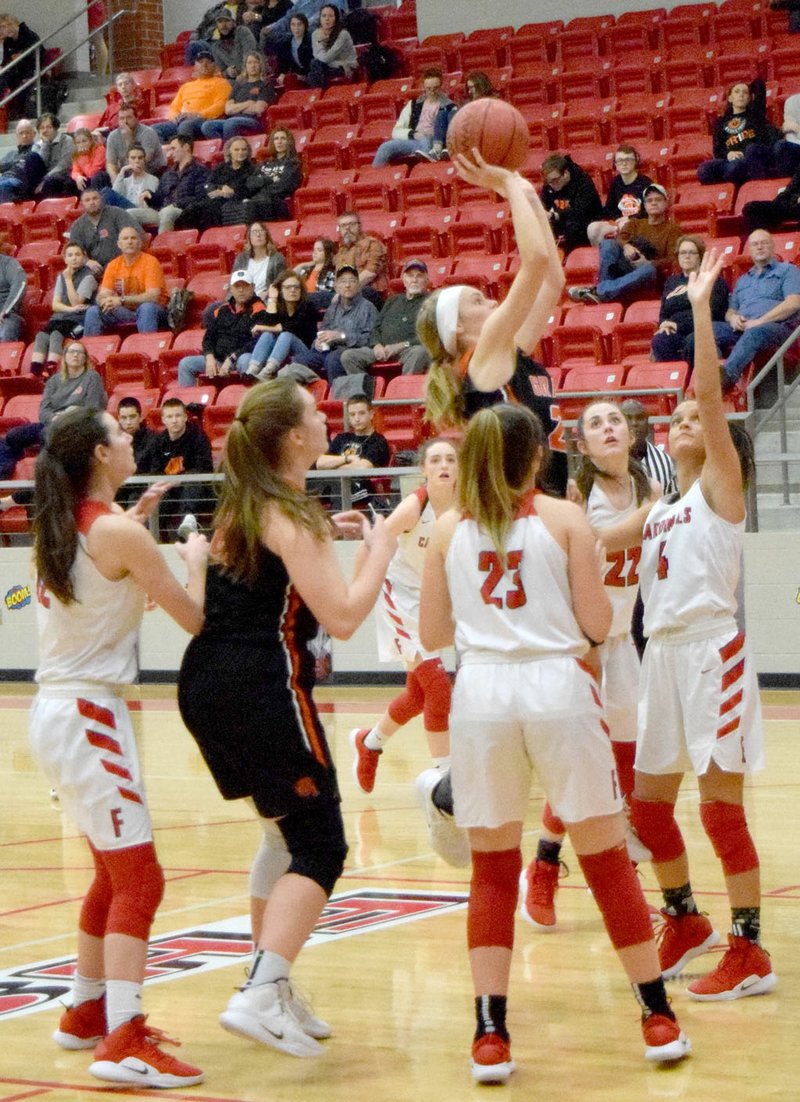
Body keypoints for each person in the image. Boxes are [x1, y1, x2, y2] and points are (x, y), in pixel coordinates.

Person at [417, 403, 691, 1082]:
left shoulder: (447, 529)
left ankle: (490, 1033)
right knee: (604, 858)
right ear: (536, 456)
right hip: (557, 688)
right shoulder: (567, 520)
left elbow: (429, 634)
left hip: (481, 694)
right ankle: (656, 1016)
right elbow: (598, 624)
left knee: (490, 870)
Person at [177, 378, 396, 1056]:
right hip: (262, 686)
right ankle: (262, 990)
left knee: (280, 838)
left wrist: (332, 533)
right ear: (294, 436)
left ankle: (269, 976)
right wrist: (382, 548)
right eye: (313, 413)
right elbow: (345, 616)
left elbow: (273, 571)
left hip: (207, 683)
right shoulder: (287, 513)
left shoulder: (245, 503)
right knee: (321, 845)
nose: (325, 418)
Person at [29, 405, 208, 1086]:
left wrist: (134, 524)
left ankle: (85, 1008)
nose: (132, 440)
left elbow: (108, 569)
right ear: (101, 457)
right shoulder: (119, 535)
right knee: (141, 878)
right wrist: (192, 560)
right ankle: (124, 1038)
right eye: (122, 435)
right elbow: (196, 619)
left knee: (110, 873)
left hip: (58, 711)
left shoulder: (75, 524)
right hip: (87, 713)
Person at [628, 249, 777, 1002]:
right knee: (648, 807)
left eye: (691, 419)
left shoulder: (721, 491)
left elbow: (713, 396)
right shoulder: (661, 508)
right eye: (676, 417)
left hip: (711, 656)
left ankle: (750, 948)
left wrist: (696, 307)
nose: (681, 420)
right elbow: (593, 540)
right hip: (662, 659)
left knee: (721, 811)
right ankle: (685, 918)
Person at [519, 400, 661, 930]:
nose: (607, 428)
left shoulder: (644, 486)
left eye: (615, 420)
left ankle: (617, 873)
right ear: (580, 443)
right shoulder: (583, 499)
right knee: (586, 768)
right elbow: (610, 539)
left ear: (631, 433)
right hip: (581, 646)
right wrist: (658, 509)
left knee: (621, 768)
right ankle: (545, 863)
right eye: (594, 423)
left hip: (624, 642)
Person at [349, 437, 470, 866]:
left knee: (419, 695)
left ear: (459, 468)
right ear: (423, 470)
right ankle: (443, 781)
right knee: (439, 690)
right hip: (399, 596)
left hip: (436, 599)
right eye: (434, 459)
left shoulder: (467, 505)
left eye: (450, 460)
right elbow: (372, 544)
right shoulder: (413, 508)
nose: (442, 465)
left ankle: (370, 741)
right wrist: (356, 593)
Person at [0, 341, 107, 481]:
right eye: (71, 352)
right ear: (64, 357)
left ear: (85, 358)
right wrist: (54, 418)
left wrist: (69, 415)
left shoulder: (92, 378)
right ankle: (5, 476)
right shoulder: (54, 380)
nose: (75, 355)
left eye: (79, 352)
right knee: (11, 436)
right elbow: (44, 410)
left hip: (76, 425)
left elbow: (93, 408)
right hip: (52, 421)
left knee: (47, 434)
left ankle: (46, 480)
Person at [568, 184, 683, 305]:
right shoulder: (635, 223)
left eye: (658, 199)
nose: (653, 203)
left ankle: (598, 291)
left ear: (666, 203)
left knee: (648, 269)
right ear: (644, 205)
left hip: (649, 274)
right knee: (608, 244)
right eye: (649, 200)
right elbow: (620, 238)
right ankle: (604, 291)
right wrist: (627, 246)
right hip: (625, 267)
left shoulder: (673, 229)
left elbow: (673, 258)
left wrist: (649, 263)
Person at [719, 229, 800, 389]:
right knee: (709, 331)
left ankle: (725, 380)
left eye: (764, 243)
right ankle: (709, 375)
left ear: (773, 246)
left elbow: (794, 303)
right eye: (755, 244)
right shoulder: (743, 279)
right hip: (744, 327)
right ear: (749, 249)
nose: (760, 247)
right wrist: (733, 318)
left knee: (756, 333)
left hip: (778, 329)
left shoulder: (788, 271)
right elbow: (730, 310)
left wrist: (759, 322)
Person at [340, 258, 431, 379]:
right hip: (383, 350)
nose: (414, 280)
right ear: (404, 280)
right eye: (410, 276)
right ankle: (365, 393)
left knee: (419, 353)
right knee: (348, 356)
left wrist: (402, 345)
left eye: (419, 276)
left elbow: (432, 335)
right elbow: (376, 328)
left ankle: (405, 393)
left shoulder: (432, 302)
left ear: (426, 280)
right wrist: (376, 345)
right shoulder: (392, 300)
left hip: (408, 350)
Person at [289, 264, 377, 385]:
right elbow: (323, 331)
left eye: (352, 281)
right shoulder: (332, 308)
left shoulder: (367, 307)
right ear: (336, 287)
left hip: (352, 352)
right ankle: (316, 392)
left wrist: (341, 336)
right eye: (343, 281)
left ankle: (336, 398)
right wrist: (318, 343)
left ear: (358, 285)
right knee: (298, 361)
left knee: (333, 359)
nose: (347, 285)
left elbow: (370, 339)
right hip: (328, 351)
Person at [651, 235, 732, 366]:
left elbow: (714, 311)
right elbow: (664, 312)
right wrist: (664, 324)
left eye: (691, 252)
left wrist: (679, 325)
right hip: (675, 331)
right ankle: (677, 378)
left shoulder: (712, 280)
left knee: (693, 340)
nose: (686, 256)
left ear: (699, 256)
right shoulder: (671, 282)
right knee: (660, 340)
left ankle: (693, 379)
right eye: (682, 253)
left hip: (702, 328)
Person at [178, 269, 269, 384]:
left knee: (246, 360)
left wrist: (232, 358)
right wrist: (209, 356)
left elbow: (257, 342)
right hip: (219, 359)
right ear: (231, 289)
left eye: (245, 286)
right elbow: (208, 338)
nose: (241, 290)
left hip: (241, 358)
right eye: (237, 286)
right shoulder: (222, 310)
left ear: (253, 287)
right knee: (185, 364)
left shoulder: (260, 310)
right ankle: (188, 401)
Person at [83, 226, 168, 336]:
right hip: (126, 311)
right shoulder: (113, 265)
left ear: (140, 243)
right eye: (125, 239)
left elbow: (153, 296)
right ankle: (91, 351)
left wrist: (121, 300)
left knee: (147, 308)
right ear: (119, 244)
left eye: (133, 238)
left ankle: (148, 347)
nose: (129, 242)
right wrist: (105, 301)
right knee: (93, 311)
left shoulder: (151, 262)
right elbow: (102, 294)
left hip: (155, 310)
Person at [146, 397, 214, 536]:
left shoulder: (199, 437)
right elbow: (154, 471)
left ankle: (189, 520)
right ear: (163, 419)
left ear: (185, 417)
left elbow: (204, 468)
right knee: (158, 501)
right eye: (170, 416)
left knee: (193, 480)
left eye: (178, 415)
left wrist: (180, 479)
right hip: (169, 488)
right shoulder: (158, 441)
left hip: (196, 490)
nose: (174, 420)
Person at [30, 243, 98, 375]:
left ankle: (51, 370)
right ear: (65, 259)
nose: (74, 258)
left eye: (78, 255)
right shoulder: (61, 276)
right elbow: (55, 305)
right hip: (62, 317)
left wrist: (68, 280)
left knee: (56, 335)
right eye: (70, 255)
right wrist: (70, 310)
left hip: (79, 321)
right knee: (41, 336)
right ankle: (35, 372)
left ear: (84, 257)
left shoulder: (88, 277)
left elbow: (75, 302)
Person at [315, 393, 390, 507]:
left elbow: (363, 468)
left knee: (338, 493)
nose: (357, 418)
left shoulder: (378, 440)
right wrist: (347, 459)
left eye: (361, 413)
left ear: (371, 414)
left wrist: (333, 466)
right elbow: (320, 463)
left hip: (363, 489)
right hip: (334, 486)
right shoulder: (341, 438)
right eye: (352, 414)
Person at [697, 79, 777, 185]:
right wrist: (728, 154)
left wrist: (749, 88)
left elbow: (759, 84)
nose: (741, 95)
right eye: (737, 91)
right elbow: (717, 150)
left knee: (737, 165)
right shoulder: (721, 122)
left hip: (750, 159)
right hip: (730, 160)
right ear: (730, 98)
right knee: (703, 169)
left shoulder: (755, 114)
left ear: (750, 97)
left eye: (745, 92)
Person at [371, 69, 456, 167]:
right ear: (423, 87)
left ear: (441, 87)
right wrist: (413, 134)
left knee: (426, 141)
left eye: (435, 88)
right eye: (429, 88)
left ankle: (428, 168)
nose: (432, 92)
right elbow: (396, 131)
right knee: (385, 147)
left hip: (434, 141)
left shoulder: (449, 106)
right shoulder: (414, 105)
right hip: (414, 140)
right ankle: (375, 175)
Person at [245, 268, 320, 379]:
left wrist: (262, 327)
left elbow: (290, 327)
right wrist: (272, 299)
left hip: (304, 352)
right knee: (267, 334)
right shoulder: (279, 307)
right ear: (280, 290)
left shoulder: (307, 307)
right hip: (281, 351)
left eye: (296, 287)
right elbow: (269, 323)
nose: (293, 290)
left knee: (286, 335)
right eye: (288, 287)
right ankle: (252, 371)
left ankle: (267, 371)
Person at [128, 134, 209, 234]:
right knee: (129, 214)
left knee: (168, 213)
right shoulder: (168, 173)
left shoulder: (200, 171)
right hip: (162, 210)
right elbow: (160, 197)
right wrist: (150, 196)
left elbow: (200, 197)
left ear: (186, 147)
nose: (170, 153)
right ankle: (140, 244)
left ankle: (162, 246)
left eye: (173, 149)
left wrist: (176, 204)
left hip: (183, 211)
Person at [175, 134, 253, 231]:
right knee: (191, 210)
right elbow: (208, 184)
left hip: (233, 201)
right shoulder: (221, 167)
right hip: (214, 198)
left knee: (210, 209)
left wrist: (230, 192)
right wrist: (221, 189)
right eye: (236, 150)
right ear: (229, 151)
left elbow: (249, 188)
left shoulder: (252, 169)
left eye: (244, 149)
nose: (240, 152)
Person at [152, 51, 231, 143]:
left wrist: (199, 114)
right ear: (195, 66)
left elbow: (220, 105)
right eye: (201, 62)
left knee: (185, 126)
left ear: (214, 66)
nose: (204, 65)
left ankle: (184, 154)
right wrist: (175, 116)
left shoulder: (222, 83)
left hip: (204, 120)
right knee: (154, 129)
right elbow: (175, 107)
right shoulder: (186, 86)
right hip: (182, 120)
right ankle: (165, 155)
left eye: (208, 62)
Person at [587, 145, 654, 247]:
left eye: (628, 160)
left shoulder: (646, 184)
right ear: (615, 164)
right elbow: (610, 208)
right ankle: (602, 258)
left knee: (625, 225)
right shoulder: (616, 182)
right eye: (620, 160)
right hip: (619, 222)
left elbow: (650, 211)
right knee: (593, 228)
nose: (624, 164)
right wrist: (614, 219)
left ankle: (626, 259)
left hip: (640, 223)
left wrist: (630, 218)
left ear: (636, 161)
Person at [539, 152, 603, 255]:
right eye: (548, 182)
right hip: (561, 222)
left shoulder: (583, 183)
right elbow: (542, 204)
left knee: (573, 226)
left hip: (585, 222)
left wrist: (555, 215)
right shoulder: (550, 184)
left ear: (566, 173)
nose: (552, 185)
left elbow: (581, 210)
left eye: (555, 180)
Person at [68, 189, 141, 276]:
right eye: (87, 200)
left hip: (121, 263)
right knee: (69, 277)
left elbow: (137, 235)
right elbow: (73, 251)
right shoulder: (78, 225)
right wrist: (86, 261)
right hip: (94, 268)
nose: (92, 202)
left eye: (95, 198)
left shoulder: (117, 213)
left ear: (101, 199)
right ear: (82, 203)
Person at [201, 51, 273, 140]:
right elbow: (227, 109)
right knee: (207, 126)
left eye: (256, 62)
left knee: (230, 123)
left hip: (253, 121)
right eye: (249, 63)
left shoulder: (265, 85)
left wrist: (236, 108)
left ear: (261, 65)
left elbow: (258, 109)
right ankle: (224, 148)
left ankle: (230, 150)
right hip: (232, 119)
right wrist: (248, 103)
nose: (253, 66)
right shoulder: (239, 85)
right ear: (245, 66)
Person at [245, 126, 303, 222]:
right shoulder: (264, 163)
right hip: (259, 200)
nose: (279, 142)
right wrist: (268, 180)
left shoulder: (293, 163)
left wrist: (261, 184)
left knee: (260, 202)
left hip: (278, 202)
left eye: (283, 138)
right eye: (276, 139)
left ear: (289, 142)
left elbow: (284, 186)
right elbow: (250, 183)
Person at [334, 211, 388, 306]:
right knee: (312, 298)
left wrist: (346, 290)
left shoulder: (372, 244)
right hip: (345, 292)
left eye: (351, 224)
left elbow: (370, 273)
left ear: (359, 226)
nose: (347, 228)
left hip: (370, 291)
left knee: (363, 292)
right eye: (343, 226)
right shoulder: (341, 251)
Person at [104, 104, 167, 183]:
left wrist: (129, 139)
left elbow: (142, 161)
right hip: (126, 172)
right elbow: (110, 164)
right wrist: (116, 180)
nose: (125, 122)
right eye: (121, 119)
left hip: (152, 171)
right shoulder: (113, 136)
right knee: (100, 177)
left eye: (129, 118)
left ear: (137, 118)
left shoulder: (148, 133)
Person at [231, 220, 286, 299]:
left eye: (261, 231)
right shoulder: (241, 259)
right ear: (249, 237)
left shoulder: (277, 258)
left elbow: (281, 283)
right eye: (254, 232)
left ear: (266, 236)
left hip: (266, 299)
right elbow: (233, 282)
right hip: (244, 298)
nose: (258, 234)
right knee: (213, 307)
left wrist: (267, 293)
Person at [101, 144, 160, 216]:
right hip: (123, 211)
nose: (137, 161)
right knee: (104, 193)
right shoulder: (125, 181)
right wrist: (122, 171)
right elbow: (115, 194)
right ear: (128, 160)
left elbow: (147, 202)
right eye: (133, 158)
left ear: (144, 160)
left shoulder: (153, 179)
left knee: (107, 192)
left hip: (140, 211)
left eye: (140, 158)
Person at [0, 15, 41, 119]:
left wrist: (21, 56)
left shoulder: (30, 36)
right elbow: (6, 61)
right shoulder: (8, 42)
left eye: (3, 27)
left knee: (24, 88)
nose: (2, 31)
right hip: (14, 73)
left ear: (10, 24)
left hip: (29, 72)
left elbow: (39, 55)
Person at [307, 4, 357, 88]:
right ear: (320, 18)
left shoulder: (343, 34)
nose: (327, 19)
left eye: (331, 16)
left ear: (336, 18)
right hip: (337, 65)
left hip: (348, 66)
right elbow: (317, 55)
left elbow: (327, 58)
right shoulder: (316, 34)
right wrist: (340, 63)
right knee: (315, 64)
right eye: (324, 16)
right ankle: (320, 94)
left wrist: (319, 42)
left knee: (315, 66)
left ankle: (319, 94)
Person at [0, 117, 46, 203]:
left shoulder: (37, 150)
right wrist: (14, 163)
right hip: (5, 178)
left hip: (20, 181)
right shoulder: (12, 153)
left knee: (4, 185)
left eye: (27, 133)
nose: (24, 136)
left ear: (34, 134)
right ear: (17, 136)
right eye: (21, 133)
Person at [32, 112, 75, 198]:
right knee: (31, 159)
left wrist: (45, 179)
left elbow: (64, 165)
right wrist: (46, 144)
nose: (45, 131)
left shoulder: (67, 140)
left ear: (56, 128)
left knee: (52, 181)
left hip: (62, 176)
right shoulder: (37, 145)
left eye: (48, 127)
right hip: (43, 179)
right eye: (42, 128)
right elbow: (40, 165)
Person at [209, 8, 258, 80]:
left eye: (227, 20)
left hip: (255, 75)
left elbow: (251, 55)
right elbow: (221, 72)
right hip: (234, 81)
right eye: (220, 22)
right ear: (217, 25)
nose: (223, 25)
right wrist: (228, 72)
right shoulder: (216, 47)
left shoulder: (242, 32)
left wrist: (244, 74)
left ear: (233, 22)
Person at [96, 73, 149, 138]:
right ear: (117, 89)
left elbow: (136, 125)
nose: (123, 87)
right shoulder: (112, 106)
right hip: (107, 136)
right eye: (120, 85)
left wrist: (107, 129)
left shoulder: (141, 104)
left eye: (126, 83)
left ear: (133, 86)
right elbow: (100, 125)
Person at [296, 236, 336, 308]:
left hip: (315, 306)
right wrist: (302, 265)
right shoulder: (306, 270)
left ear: (327, 253)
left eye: (319, 250)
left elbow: (325, 297)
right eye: (314, 249)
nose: (315, 252)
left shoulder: (331, 273)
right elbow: (289, 278)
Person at [273, 11, 313, 79]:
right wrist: (282, 74)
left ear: (305, 25)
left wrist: (304, 76)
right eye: (293, 24)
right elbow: (283, 63)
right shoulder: (286, 42)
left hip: (311, 75)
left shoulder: (311, 40)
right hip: (297, 75)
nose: (296, 28)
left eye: (299, 24)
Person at [70, 128, 107, 195]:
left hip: (98, 177)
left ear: (90, 140)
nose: (81, 144)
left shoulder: (100, 149)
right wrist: (78, 177)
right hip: (87, 177)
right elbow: (75, 170)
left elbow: (91, 173)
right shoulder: (76, 153)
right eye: (78, 143)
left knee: (94, 178)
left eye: (84, 141)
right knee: (70, 181)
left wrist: (84, 155)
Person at [772, 89, 800, 176]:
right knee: (753, 150)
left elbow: (794, 128)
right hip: (794, 145)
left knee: (781, 146)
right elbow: (789, 130)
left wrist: (797, 129)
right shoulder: (792, 101)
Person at [0, 251, 26, 342]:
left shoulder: (8, 263)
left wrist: (5, 310)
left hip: (8, 315)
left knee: (6, 331)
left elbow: (20, 284)